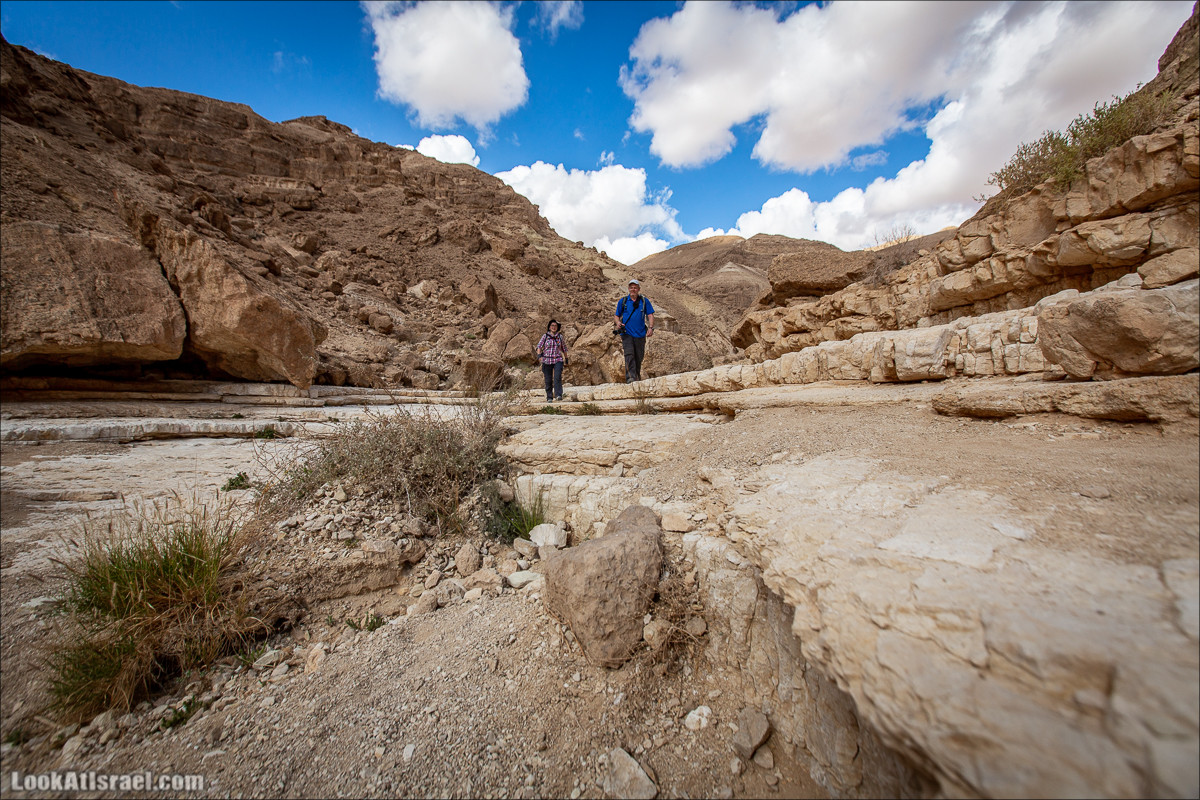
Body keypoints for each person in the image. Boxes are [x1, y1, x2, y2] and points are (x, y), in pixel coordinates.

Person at [613, 278, 655, 383]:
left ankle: (636, 376)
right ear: (628, 289)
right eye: (631, 287)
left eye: (635, 287)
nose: (633, 289)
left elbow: (650, 315)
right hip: (627, 333)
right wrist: (618, 323)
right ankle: (630, 378)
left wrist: (650, 328)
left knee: (638, 357)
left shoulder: (644, 301)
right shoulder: (623, 301)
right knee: (629, 354)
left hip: (640, 334)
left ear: (638, 289)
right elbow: (616, 316)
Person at [534, 319, 568, 402]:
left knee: (557, 377)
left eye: (555, 326)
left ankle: (558, 395)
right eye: (552, 326)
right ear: (549, 327)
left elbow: (564, 348)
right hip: (547, 360)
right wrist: (539, 356)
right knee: (548, 379)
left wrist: (566, 358)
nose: (554, 327)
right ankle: (549, 397)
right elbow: (539, 346)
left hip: (557, 359)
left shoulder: (560, 337)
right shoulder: (545, 336)